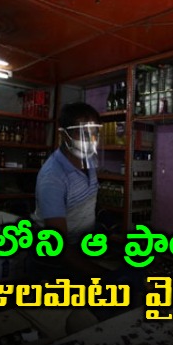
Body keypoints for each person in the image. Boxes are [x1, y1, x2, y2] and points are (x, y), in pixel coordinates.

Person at [30, 102, 110, 280]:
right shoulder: (53, 177)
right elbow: (58, 244)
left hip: (83, 249)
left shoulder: (88, 161)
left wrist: (106, 221)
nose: (89, 139)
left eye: (94, 132)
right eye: (81, 133)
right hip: (54, 264)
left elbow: (88, 199)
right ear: (63, 134)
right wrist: (103, 275)